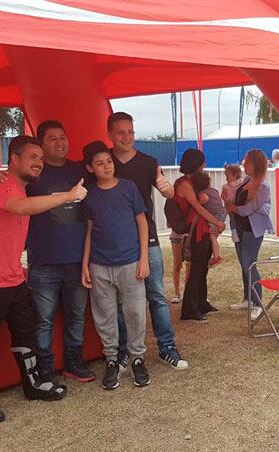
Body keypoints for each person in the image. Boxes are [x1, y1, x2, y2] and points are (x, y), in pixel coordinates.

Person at [0, 136, 87, 423]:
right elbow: (18, 207)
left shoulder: (20, 184)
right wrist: (67, 196)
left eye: (40, 158)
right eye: (32, 157)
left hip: (12, 276)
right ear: (13, 159)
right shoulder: (2, 185)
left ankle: (32, 385)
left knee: (25, 331)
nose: (38, 162)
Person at [0, 121, 95, 386]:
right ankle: (44, 369)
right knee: (43, 320)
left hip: (77, 259)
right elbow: (4, 187)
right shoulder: (32, 176)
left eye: (63, 137)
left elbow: (108, 171)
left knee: (76, 315)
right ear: (41, 145)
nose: (59, 143)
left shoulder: (80, 170)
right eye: (52, 139)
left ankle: (74, 363)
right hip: (43, 261)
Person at [107, 112, 189, 370]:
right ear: (110, 134)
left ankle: (167, 347)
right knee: (119, 300)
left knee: (156, 295)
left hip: (149, 239)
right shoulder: (103, 160)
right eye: (121, 132)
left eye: (130, 132)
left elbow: (169, 190)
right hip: (115, 242)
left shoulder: (148, 161)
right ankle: (122, 352)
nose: (127, 137)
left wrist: (167, 189)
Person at [81, 142, 150, 389]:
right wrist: (85, 264)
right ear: (90, 168)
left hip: (130, 262)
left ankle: (138, 357)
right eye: (100, 163)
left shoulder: (129, 188)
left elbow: (142, 223)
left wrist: (144, 258)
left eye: (109, 161)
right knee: (104, 314)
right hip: (99, 265)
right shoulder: (89, 194)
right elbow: (89, 230)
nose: (106, 166)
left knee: (135, 312)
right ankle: (112, 359)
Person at [173, 148, 226, 322]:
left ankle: (201, 302)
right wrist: (218, 222)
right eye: (202, 163)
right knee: (196, 269)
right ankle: (189, 308)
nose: (204, 166)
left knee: (202, 268)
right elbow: (197, 207)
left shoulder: (191, 182)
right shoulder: (185, 184)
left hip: (202, 229)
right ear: (197, 164)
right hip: (197, 231)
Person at [225, 149, 274, 321]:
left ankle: (258, 304)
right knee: (243, 264)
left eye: (247, 162)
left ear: (256, 164)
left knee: (250, 264)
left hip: (253, 230)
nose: (244, 164)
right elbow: (238, 201)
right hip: (239, 228)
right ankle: (247, 299)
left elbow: (248, 209)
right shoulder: (246, 180)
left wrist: (233, 208)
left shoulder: (264, 186)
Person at [190, 171, 227, 268]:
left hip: (215, 215)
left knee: (212, 236)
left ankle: (216, 257)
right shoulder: (214, 190)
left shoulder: (202, 193)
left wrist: (197, 203)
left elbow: (203, 201)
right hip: (222, 212)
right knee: (213, 234)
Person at [169, 229, 190, 304]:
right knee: (177, 264)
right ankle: (177, 293)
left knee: (189, 264)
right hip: (176, 235)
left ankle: (188, 293)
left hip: (189, 235)